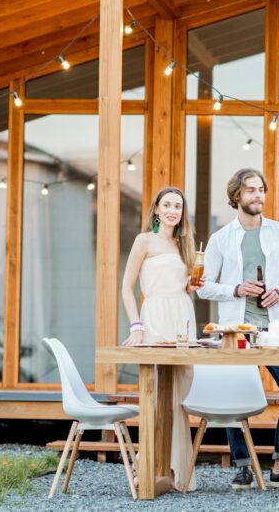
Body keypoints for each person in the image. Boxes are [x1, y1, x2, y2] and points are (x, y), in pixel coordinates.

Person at [197, 168, 279, 489]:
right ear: (236, 197)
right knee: (235, 395)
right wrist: (236, 289)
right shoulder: (221, 238)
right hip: (236, 328)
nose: (258, 195)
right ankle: (243, 465)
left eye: (261, 190)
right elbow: (204, 287)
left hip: (275, 327)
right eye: (250, 190)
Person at [120, 185, 200, 492]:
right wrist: (136, 325)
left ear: (182, 213)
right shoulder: (145, 240)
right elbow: (127, 287)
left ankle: (176, 469)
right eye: (167, 205)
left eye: (178, 206)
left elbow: (182, 286)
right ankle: (148, 466)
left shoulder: (184, 244)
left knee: (180, 394)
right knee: (155, 393)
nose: (172, 211)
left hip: (182, 315)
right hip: (154, 315)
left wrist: (191, 286)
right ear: (156, 209)